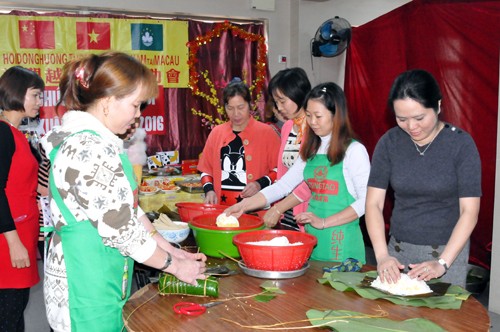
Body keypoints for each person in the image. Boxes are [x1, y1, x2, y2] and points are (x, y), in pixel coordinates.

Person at [40, 52, 206, 332]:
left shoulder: (94, 142)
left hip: (99, 271)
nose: (138, 114)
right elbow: (123, 231)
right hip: (87, 280)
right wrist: (175, 267)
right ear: (107, 103)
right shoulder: (89, 150)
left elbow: (127, 209)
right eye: (135, 105)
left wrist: (173, 252)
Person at [225, 82, 371, 263]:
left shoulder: (354, 151)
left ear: (336, 115)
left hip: (342, 242)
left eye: (318, 116)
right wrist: (244, 206)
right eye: (309, 115)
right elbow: (283, 186)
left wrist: (325, 222)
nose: (312, 122)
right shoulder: (312, 148)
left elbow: (367, 202)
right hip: (314, 240)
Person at [365, 69, 481, 288]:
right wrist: (381, 256)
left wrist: (442, 263)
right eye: (402, 119)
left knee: (443, 321)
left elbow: (469, 211)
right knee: (393, 319)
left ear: (437, 106)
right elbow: (373, 203)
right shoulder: (389, 143)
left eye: (419, 118)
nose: (412, 127)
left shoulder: (461, 145)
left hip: (446, 254)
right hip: (397, 255)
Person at [0, 66, 45, 332]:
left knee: (16, 313)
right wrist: (14, 242)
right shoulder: (3, 133)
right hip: (9, 239)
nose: (40, 102)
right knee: (8, 314)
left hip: (21, 233)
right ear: (17, 94)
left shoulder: (17, 134)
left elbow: (32, 186)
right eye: (35, 95)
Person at [198, 78, 280, 206]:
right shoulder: (217, 133)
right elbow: (205, 169)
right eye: (230, 108)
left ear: (249, 105)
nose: (236, 114)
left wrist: (260, 183)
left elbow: (279, 170)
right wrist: (209, 190)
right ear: (224, 108)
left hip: (257, 209)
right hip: (223, 209)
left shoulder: (267, 133)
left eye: (241, 107)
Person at [263, 68, 312, 231]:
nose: (279, 107)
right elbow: (283, 175)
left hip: (307, 209)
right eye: (276, 102)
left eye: (282, 101)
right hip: (287, 211)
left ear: (298, 94)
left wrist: (279, 207)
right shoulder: (288, 126)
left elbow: (310, 181)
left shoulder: (315, 129)